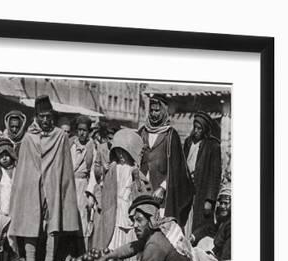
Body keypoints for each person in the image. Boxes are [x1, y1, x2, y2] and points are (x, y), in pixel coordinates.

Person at [9, 95, 80, 261]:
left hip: (54, 186)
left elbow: (66, 170)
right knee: (29, 224)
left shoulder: (61, 137)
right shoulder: (28, 138)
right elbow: (23, 170)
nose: (46, 120)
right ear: (36, 116)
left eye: (49, 116)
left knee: (53, 225)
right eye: (42, 116)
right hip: (32, 188)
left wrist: (62, 191)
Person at [138, 94, 194, 226]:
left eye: (157, 110)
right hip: (143, 191)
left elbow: (176, 169)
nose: (153, 114)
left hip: (162, 195)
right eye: (151, 110)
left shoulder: (171, 135)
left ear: (163, 111)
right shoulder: (142, 132)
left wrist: (163, 188)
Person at [88, 129, 145, 251]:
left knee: (127, 233)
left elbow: (140, 191)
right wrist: (105, 171)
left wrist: (136, 178)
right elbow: (106, 187)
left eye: (123, 153)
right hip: (114, 208)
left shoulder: (134, 169)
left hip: (127, 207)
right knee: (113, 233)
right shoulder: (114, 168)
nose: (121, 156)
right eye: (118, 153)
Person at [183, 111, 222, 238]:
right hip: (188, 190)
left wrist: (210, 200)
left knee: (200, 225)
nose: (196, 131)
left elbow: (215, 175)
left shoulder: (213, 145)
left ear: (204, 130)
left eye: (199, 128)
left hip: (202, 192)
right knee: (186, 221)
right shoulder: (188, 143)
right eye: (195, 127)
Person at [69, 115, 96, 250]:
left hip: (82, 185)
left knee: (82, 217)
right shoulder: (70, 145)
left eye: (84, 130)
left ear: (89, 131)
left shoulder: (92, 148)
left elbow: (93, 173)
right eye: (79, 130)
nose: (81, 133)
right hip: (69, 185)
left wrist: (90, 194)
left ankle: (82, 251)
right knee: (68, 215)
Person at [191, 183, 231, 261]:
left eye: (226, 203)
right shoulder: (223, 221)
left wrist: (209, 256)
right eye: (221, 203)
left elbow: (225, 259)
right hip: (216, 259)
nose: (222, 206)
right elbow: (208, 229)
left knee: (195, 253)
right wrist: (193, 236)